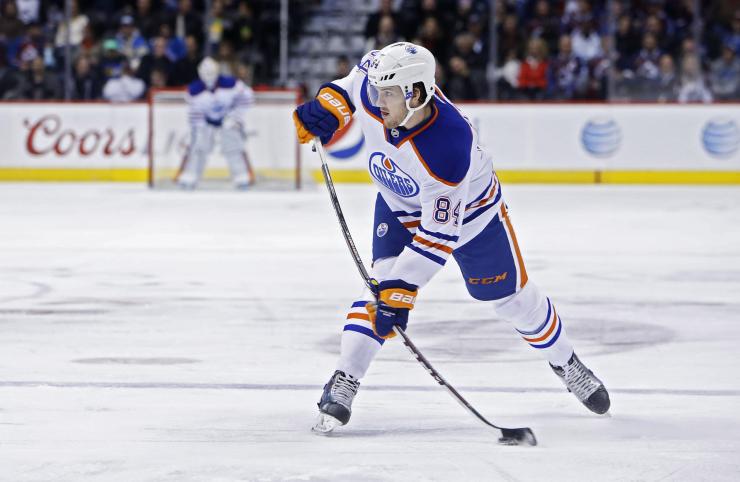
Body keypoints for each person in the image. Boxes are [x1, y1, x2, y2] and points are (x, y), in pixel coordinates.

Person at [292, 42, 611, 433]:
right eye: (378, 91)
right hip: (398, 205)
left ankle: (566, 362)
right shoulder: (380, 86)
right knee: (379, 286)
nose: (377, 101)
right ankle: (345, 379)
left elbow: (439, 234)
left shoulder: (447, 144)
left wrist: (403, 289)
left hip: (474, 220)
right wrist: (330, 105)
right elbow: (352, 83)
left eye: (388, 94)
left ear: (417, 94)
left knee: (512, 301)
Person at [176, 57, 255, 190]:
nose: (208, 76)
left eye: (211, 72)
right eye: (205, 72)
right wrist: (199, 128)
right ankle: (190, 177)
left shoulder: (231, 84)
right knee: (199, 147)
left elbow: (248, 98)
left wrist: (235, 118)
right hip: (205, 121)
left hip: (227, 118)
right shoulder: (193, 91)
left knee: (233, 147)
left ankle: (241, 178)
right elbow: (194, 114)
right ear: (199, 72)